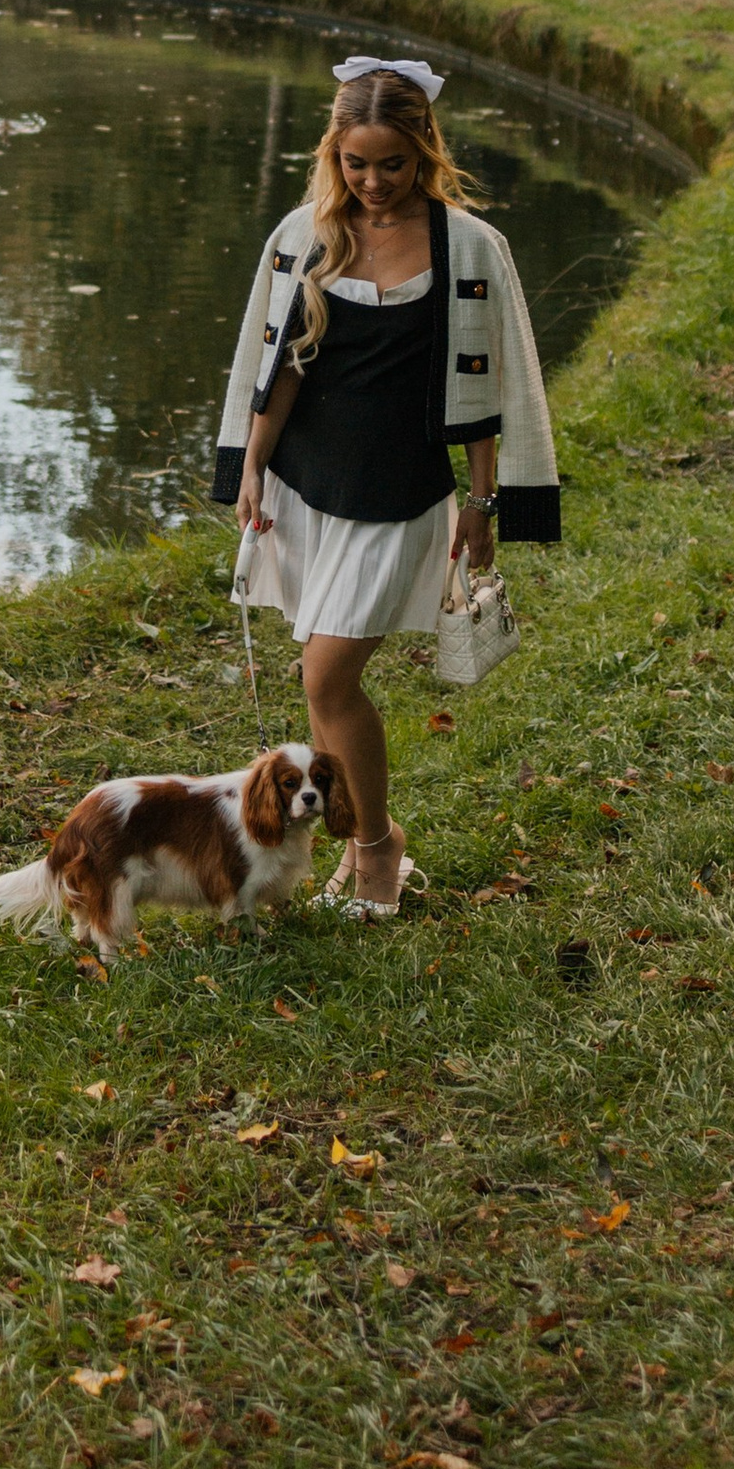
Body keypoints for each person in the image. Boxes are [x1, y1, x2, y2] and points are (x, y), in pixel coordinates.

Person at [213, 56, 559, 916]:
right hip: (307, 484)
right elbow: (281, 367)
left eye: (391, 163)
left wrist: (482, 502)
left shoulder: (469, 246)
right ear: (335, 152)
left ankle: (375, 849)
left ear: (424, 151)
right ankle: (363, 837)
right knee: (313, 675)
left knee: (328, 681)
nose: (371, 181)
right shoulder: (306, 234)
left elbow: (484, 388)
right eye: (355, 162)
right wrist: (252, 464)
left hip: (400, 491)